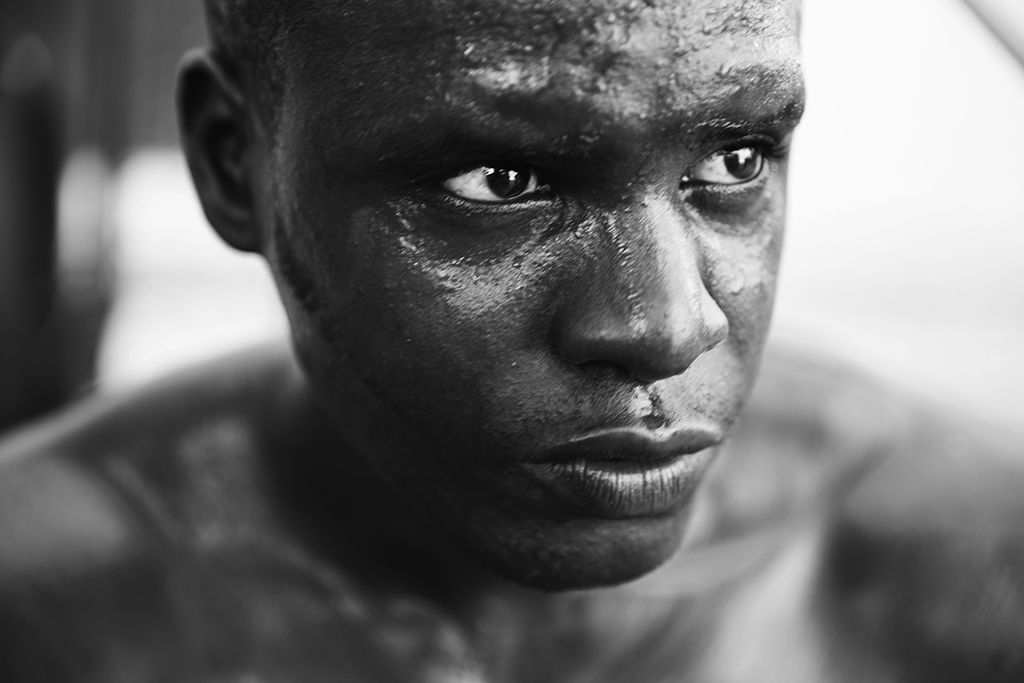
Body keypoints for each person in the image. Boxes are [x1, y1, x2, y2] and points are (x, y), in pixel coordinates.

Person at [0, 0, 1022, 681]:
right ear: (235, 164)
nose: (669, 325)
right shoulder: (42, 611)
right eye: (501, 184)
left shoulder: (969, 566)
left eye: (737, 156)